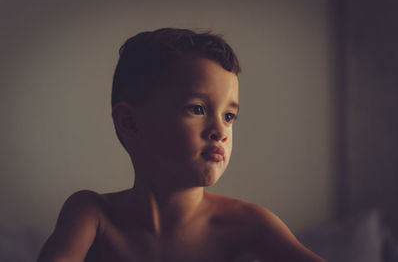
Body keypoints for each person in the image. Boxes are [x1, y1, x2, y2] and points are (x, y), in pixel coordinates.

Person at [38, 28, 326, 262]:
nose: (220, 131)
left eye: (229, 116)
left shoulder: (251, 225)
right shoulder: (92, 214)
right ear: (130, 122)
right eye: (198, 109)